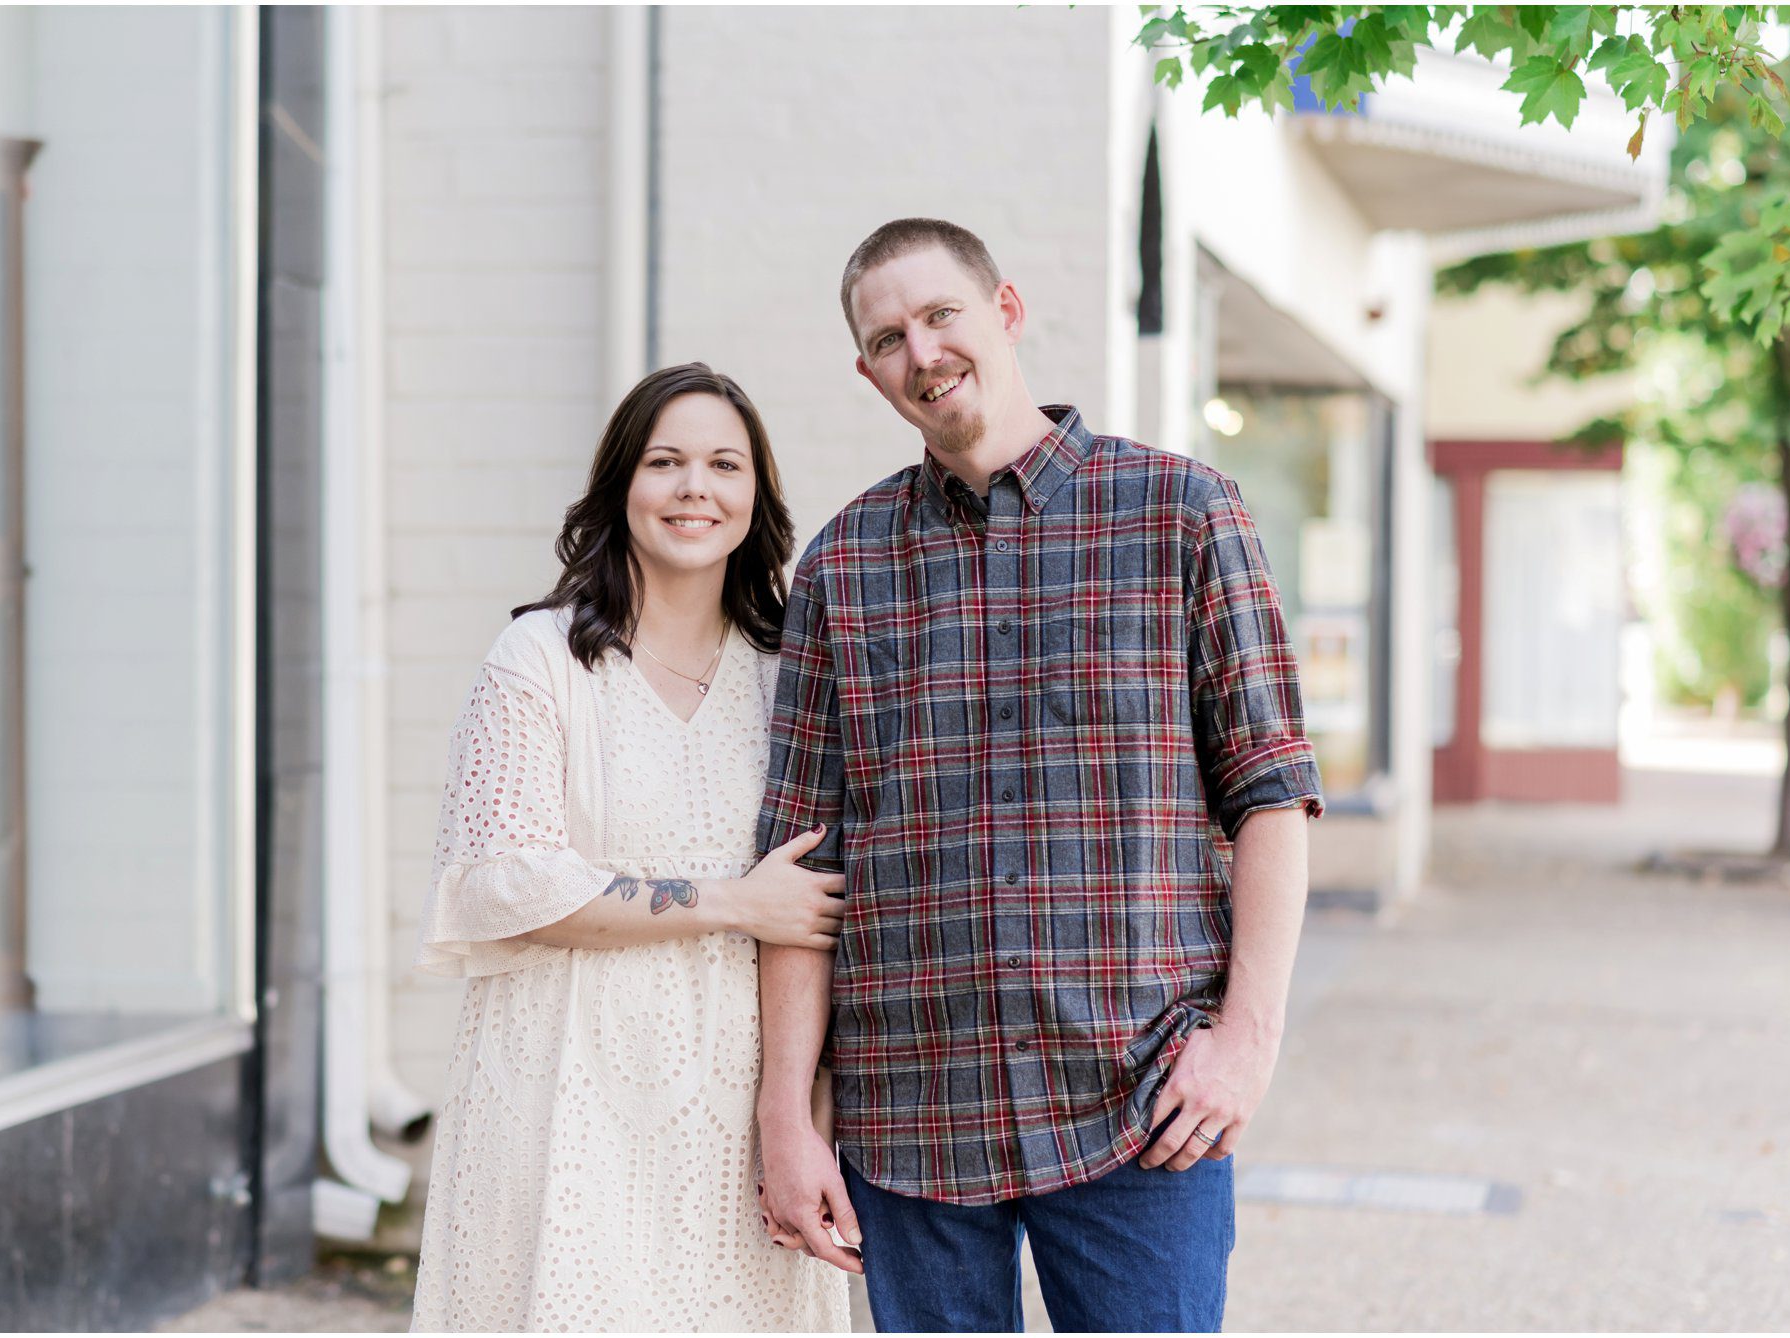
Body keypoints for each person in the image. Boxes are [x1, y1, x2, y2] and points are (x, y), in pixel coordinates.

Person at [753, 219, 1324, 1332]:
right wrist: (787, 1111)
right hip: (912, 1115)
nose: (919, 353)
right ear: (867, 373)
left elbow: (1270, 791)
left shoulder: (1181, 515)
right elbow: (797, 873)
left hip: (1140, 1098)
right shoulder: (841, 567)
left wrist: (1245, 1043)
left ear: (1004, 311)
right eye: (886, 340)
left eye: (939, 316)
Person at [410, 363, 851, 1332]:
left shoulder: (789, 675)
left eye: (723, 465)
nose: (695, 487)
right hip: (562, 1086)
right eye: (665, 461)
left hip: (736, 1099)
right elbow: (500, 884)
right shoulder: (542, 658)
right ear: (621, 489)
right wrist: (735, 901)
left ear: (755, 499)